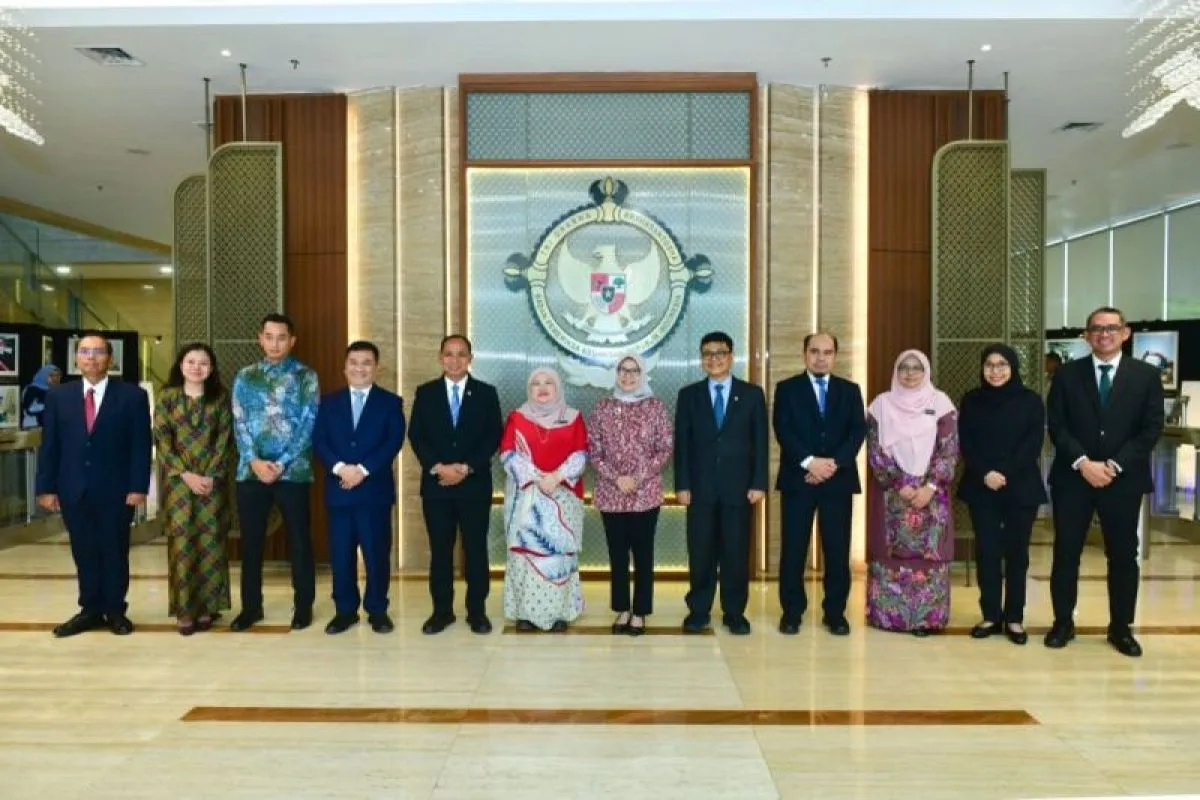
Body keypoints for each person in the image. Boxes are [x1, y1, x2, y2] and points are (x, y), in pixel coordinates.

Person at [1045, 307, 1164, 657]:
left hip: (1123, 481)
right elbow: (1057, 425)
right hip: (1073, 478)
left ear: (1125, 333)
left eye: (1111, 328)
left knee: (1124, 555)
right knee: (1066, 552)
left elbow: (1151, 428)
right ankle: (1062, 622)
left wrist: (1113, 465)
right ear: (1087, 335)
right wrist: (1083, 463)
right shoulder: (1067, 375)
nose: (1104, 334)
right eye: (1096, 328)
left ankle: (1121, 628)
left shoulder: (1145, 376)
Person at [35, 331, 151, 637]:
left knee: (114, 550)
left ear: (110, 358)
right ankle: (89, 609)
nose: (91, 357)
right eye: (85, 351)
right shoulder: (58, 396)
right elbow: (50, 445)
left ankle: (114, 610)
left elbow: (140, 445)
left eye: (99, 352)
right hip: (73, 487)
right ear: (76, 358)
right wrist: (46, 488)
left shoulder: (132, 396)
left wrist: (139, 486)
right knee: (83, 551)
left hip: (117, 489)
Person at [230, 313, 320, 632]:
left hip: (293, 473)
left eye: (282, 338)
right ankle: (251, 608)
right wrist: (253, 460)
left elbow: (308, 424)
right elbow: (239, 422)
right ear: (260, 339)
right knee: (251, 543)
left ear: (292, 341)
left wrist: (280, 463)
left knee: (299, 541)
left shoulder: (306, 376)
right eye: (269, 337)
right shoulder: (245, 377)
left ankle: (303, 606)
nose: (275, 343)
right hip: (251, 472)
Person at [408, 335, 503, 635]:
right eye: (449, 354)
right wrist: (439, 467)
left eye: (461, 354)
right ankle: (442, 612)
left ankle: (477, 611)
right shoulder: (426, 393)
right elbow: (416, 435)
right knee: (440, 551)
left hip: (474, 485)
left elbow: (493, 436)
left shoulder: (486, 393)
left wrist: (465, 467)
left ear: (470, 359)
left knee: (475, 550)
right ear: (440, 358)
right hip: (437, 486)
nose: (455, 360)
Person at [674, 331, 768, 636]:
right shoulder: (689, 395)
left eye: (720, 352)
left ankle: (734, 612)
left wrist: (759, 483)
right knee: (700, 552)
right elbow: (682, 445)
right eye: (707, 353)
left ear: (731, 356)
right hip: (699, 489)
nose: (714, 359)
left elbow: (760, 443)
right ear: (702, 359)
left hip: (739, 489)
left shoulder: (752, 395)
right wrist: (682, 485)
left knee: (736, 554)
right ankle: (699, 610)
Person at [773, 332, 866, 636]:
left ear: (835, 356)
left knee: (837, 551)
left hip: (838, 482)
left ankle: (835, 613)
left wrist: (832, 464)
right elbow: (783, 429)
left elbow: (857, 431)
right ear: (805, 354)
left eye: (827, 352)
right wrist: (809, 462)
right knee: (793, 550)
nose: (821, 357)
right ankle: (792, 612)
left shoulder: (850, 390)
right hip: (798, 480)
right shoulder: (787, 389)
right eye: (815, 351)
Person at [312, 341, 406, 635]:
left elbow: (393, 441)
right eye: (353, 362)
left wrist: (363, 470)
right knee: (341, 555)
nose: (359, 368)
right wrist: (341, 468)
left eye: (366, 363)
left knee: (376, 554)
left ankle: (377, 610)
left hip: (374, 492)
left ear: (376, 368)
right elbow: (319, 441)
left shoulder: (390, 402)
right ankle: (345, 611)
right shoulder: (328, 402)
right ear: (345, 367)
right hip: (339, 490)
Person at [957, 344, 1047, 646]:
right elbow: (965, 441)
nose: (995, 371)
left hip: (1020, 487)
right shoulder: (971, 400)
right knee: (987, 552)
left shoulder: (1030, 400)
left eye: (1002, 365)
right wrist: (986, 473)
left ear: (1013, 367)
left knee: (1017, 554)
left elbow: (1032, 443)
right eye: (989, 365)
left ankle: (1015, 618)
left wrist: (1004, 472)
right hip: (981, 486)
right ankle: (991, 615)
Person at [865, 349, 958, 637]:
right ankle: (889, 617)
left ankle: (927, 619)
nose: (909, 373)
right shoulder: (881, 405)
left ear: (926, 371)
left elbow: (949, 449)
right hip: (892, 493)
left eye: (916, 367)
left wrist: (930, 486)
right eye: (903, 367)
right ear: (896, 371)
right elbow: (874, 449)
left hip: (932, 495)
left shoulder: (941, 403)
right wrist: (899, 483)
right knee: (891, 552)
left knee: (928, 555)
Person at [587, 353, 673, 636]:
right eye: (622, 370)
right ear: (616, 373)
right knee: (617, 556)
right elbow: (593, 451)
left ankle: (640, 612)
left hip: (645, 494)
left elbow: (665, 448)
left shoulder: (655, 407)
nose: (627, 376)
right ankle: (622, 608)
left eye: (634, 370)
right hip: (611, 495)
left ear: (642, 374)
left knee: (644, 555)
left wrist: (637, 477)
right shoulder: (602, 407)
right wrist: (617, 478)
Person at [153, 343, 234, 636]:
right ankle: (185, 610)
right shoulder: (167, 397)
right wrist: (186, 474)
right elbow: (162, 440)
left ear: (211, 369)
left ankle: (208, 607)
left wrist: (210, 475)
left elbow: (225, 439)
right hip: (178, 484)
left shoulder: (220, 398)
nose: (196, 367)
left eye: (203, 363)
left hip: (212, 483)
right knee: (182, 545)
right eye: (191, 361)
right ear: (181, 365)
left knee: (211, 544)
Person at [500, 367, 587, 632]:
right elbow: (508, 453)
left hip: (563, 497)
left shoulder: (574, 417)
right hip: (527, 495)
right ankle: (524, 614)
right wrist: (538, 478)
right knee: (526, 554)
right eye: (536, 383)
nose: (542, 387)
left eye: (548, 382)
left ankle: (560, 613)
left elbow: (581, 454)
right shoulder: (517, 417)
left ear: (558, 387)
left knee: (559, 555)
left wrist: (557, 477)